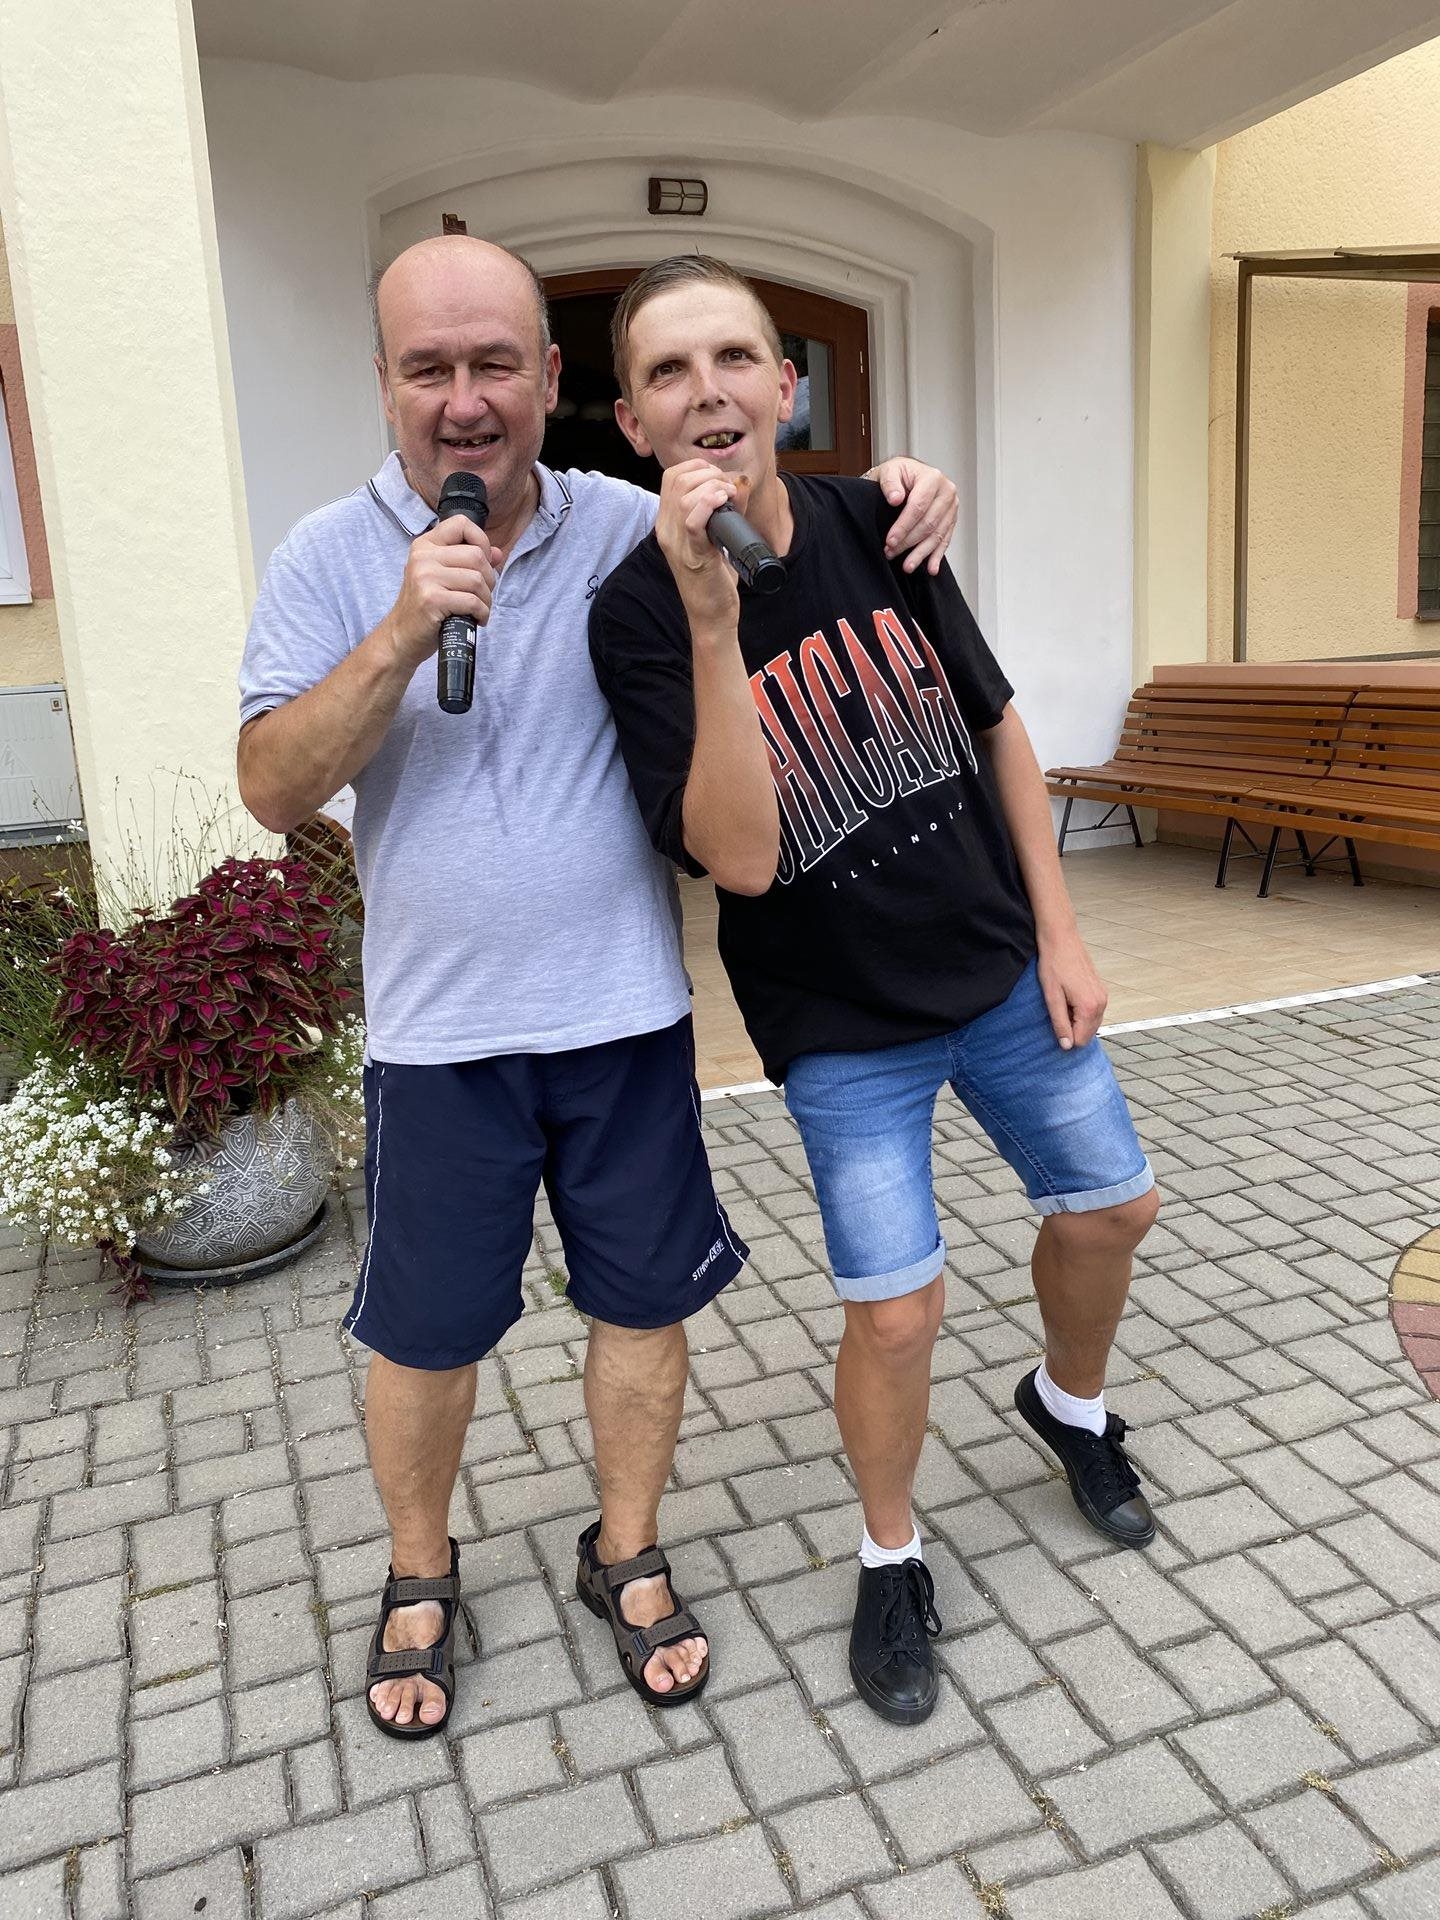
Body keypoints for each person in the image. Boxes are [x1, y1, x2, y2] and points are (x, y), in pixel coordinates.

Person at [236, 234, 961, 1737]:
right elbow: (271, 786)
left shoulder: (632, 525)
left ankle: (623, 1550)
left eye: (495, 363)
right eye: (429, 368)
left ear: (551, 377)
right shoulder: (325, 556)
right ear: (384, 383)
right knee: (424, 1334)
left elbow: (770, 508)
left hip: (625, 1016)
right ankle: (419, 1570)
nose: (464, 398)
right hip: (440, 1034)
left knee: (642, 1311)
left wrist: (900, 488)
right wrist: (401, 633)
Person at [589, 254, 1161, 1728]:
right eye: (668, 372)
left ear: (787, 388)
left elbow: (998, 726)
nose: (707, 392)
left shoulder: (879, 520)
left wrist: (1062, 930)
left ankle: (1069, 1406)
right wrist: (713, 623)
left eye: (735, 357)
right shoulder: (635, 617)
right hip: (840, 1023)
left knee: (1113, 1207)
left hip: (994, 965)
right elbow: (738, 859)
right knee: (896, 1315)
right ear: (634, 422)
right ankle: (891, 1554)